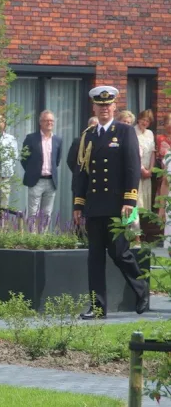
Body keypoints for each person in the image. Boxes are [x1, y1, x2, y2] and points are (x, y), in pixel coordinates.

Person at [73, 86, 148, 320]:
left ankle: (142, 289)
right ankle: (97, 307)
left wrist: (130, 199)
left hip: (117, 205)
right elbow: (81, 173)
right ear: (94, 107)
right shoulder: (88, 135)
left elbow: (132, 167)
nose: (104, 109)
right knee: (94, 258)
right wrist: (78, 204)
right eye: (100, 105)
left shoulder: (124, 131)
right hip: (95, 205)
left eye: (108, 105)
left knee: (119, 253)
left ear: (114, 107)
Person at [21, 110, 62, 223]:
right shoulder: (31, 138)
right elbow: (24, 159)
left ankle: (43, 239)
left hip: (51, 181)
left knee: (47, 214)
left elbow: (57, 160)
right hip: (36, 181)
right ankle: (33, 239)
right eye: (46, 120)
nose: (49, 123)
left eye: (51, 120)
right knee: (33, 213)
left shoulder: (58, 140)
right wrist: (33, 171)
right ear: (40, 122)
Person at [67, 117, 98, 194]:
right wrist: (79, 171)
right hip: (79, 182)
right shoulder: (78, 141)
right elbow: (70, 160)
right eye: (92, 126)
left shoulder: (101, 142)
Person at [135, 110, 155, 212]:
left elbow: (152, 153)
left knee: (144, 206)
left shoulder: (150, 133)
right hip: (136, 170)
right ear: (138, 119)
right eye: (143, 120)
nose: (145, 123)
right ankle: (130, 227)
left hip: (147, 173)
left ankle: (141, 227)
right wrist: (141, 169)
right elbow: (134, 153)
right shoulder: (133, 131)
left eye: (147, 121)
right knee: (135, 202)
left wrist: (150, 170)